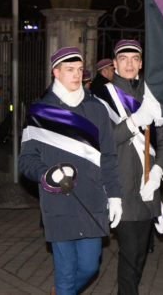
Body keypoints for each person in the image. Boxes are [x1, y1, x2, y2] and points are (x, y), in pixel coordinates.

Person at [18, 47, 122, 295]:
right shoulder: (39, 112)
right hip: (58, 202)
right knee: (65, 273)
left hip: (92, 199)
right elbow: (26, 160)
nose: (76, 75)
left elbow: (108, 156)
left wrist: (115, 195)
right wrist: (45, 174)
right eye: (69, 70)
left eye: (78, 70)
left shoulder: (96, 108)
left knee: (89, 266)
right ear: (56, 72)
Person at [92, 39, 163, 295]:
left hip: (148, 186)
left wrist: (159, 171)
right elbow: (102, 141)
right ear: (114, 64)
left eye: (134, 59)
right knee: (129, 253)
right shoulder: (101, 97)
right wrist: (133, 122)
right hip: (120, 184)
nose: (129, 64)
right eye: (123, 59)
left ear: (141, 63)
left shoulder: (152, 94)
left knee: (140, 253)